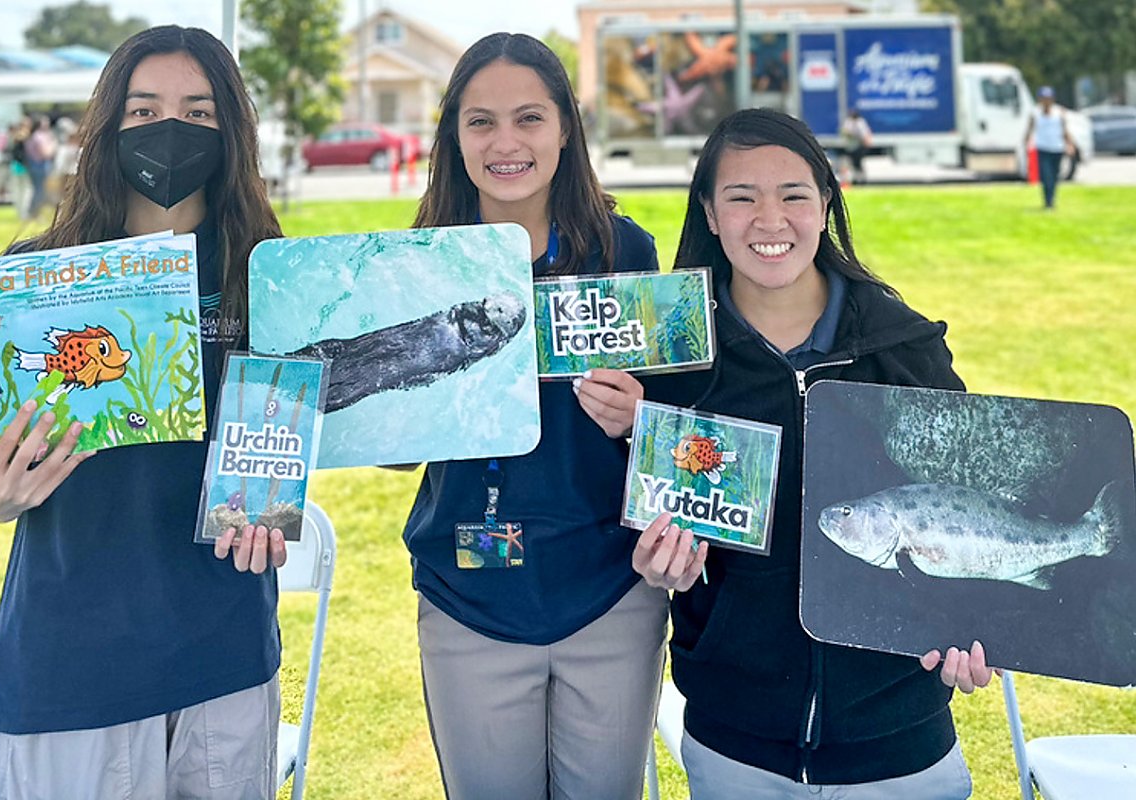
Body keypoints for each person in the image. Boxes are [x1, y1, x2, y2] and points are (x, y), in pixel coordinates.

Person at [633, 108, 995, 799]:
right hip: (735, 744)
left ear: (826, 203)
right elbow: (670, 521)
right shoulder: (676, 362)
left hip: (900, 745)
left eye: (794, 194)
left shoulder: (904, 349)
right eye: (741, 196)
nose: (770, 220)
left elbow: (967, 514)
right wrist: (664, 566)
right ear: (708, 213)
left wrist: (974, 622)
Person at [0, 26, 286, 799]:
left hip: (224, 657)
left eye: (198, 113)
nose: (169, 131)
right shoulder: (32, 277)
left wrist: (273, 513)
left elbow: (285, 452)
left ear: (232, 132)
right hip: (70, 662)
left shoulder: (271, 276)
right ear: (108, 129)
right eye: (143, 111)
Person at [404, 32, 668, 800]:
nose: (506, 142)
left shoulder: (627, 252)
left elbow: (685, 442)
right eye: (481, 122)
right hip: (468, 596)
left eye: (529, 118)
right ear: (454, 135)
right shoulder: (418, 263)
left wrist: (640, 418)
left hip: (609, 593)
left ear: (565, 128)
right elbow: (388, 446)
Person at [1024, 86, 1077, 209]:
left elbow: (1065, 130)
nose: (1046, 101)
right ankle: (1047, 201)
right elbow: (1029, 129)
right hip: (1042, 148)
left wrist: (1070, 144)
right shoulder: (1035, 113)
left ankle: (1051, 198)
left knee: (1054, 175)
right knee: (1046, 175)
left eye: (1048, 98)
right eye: (1043, 98)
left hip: (1057, 148)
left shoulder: (1059, 113)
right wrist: (1026, 142)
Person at [22, 115, 57, 219]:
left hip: (32, 165)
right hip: (41, 165)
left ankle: (33, 212)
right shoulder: (40, 137)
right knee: (40, 190)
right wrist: (54, 144)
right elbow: (46, 153)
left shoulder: (31, 136)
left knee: (37, 189)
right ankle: (35, 213)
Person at [839, 107, 872, 185]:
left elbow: (865, 134)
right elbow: (844, 132)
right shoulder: (848, 122)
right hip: (851, 145)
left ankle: (861, 179)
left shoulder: (860, 122)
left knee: (858, 163)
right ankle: (855, 179)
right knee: (853, 163)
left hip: (859, 145)